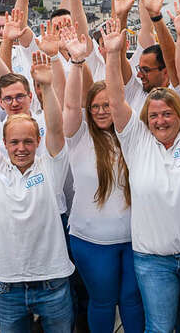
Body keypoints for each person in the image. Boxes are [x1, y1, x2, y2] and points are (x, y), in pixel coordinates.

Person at [102, 17, 180, 333]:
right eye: (154, 116)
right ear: (145, 119)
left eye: (167, 114)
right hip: (153, 260)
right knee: (160, 328)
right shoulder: (137, 140)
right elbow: (115, 100)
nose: (160, 121)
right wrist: (113, 55)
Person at [0, 50, 75, 333]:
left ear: (38, 141)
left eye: (28, 141)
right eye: (14, 142)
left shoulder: (50, 169)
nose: (21, 148)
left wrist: (47, 86)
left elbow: (56, 129)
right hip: (8, 284)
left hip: (52, 280)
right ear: (4, 144)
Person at [60, 26, 144, 333]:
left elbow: (121, 92)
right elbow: (71, 105)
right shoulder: (79, 136)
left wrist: (113, 55)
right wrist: (76, 62)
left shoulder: (132, 134)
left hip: (135, 238)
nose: (100, 111)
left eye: (107, 105)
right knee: (103, 301)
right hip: (92, 240)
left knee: (132, 300)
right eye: (94, 106)